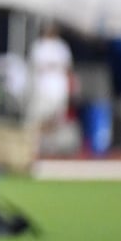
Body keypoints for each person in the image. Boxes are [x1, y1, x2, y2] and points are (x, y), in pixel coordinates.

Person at [27, 21, 74, 150]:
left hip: (58, 91)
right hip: (43, 90)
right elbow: (36, 67)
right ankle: (35, 147)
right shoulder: (39, 46)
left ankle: (52, 148)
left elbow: (67, 68)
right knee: (38, 119)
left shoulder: (61, 46)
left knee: (56, 121)